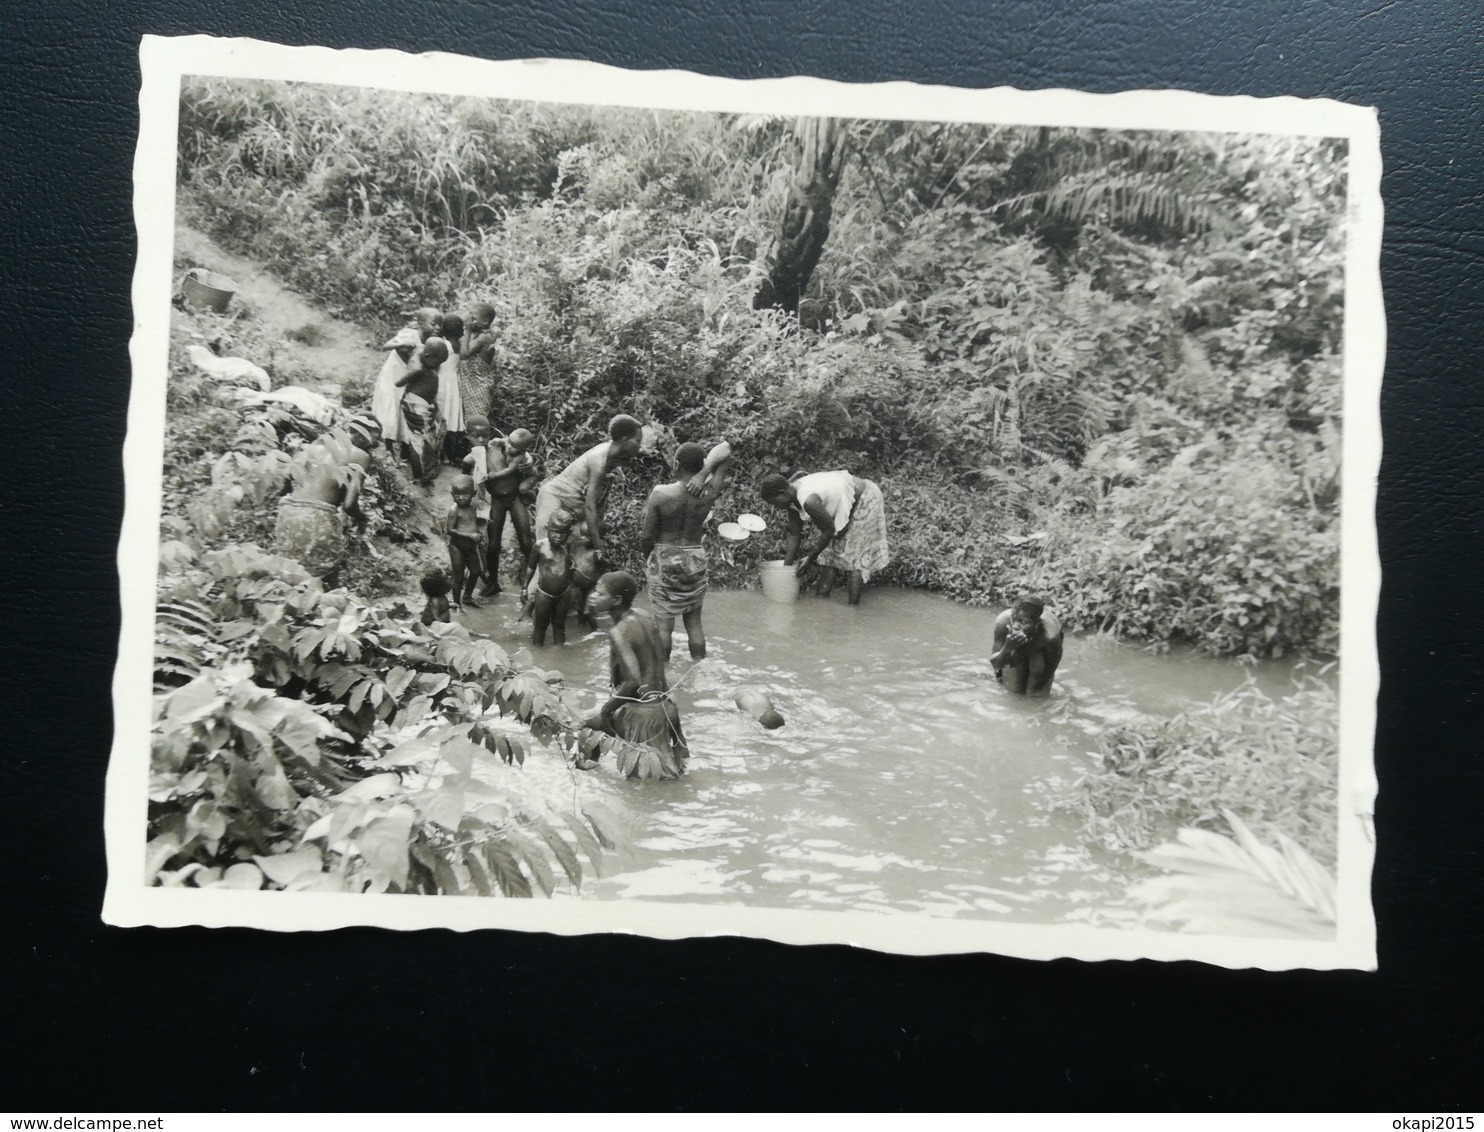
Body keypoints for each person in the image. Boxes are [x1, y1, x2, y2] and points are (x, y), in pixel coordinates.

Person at [582, 571, 689, 780]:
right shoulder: (644, 615)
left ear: (617, 600)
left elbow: (633, 682)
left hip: (643, 716)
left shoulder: (619, 631)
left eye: (600, 593)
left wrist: (605, 712)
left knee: (585, 723)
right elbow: (659, 660)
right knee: (665, 776)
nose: (593, 595)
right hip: (666, 708)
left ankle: (588, 772)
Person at [640, 439, 733, 659]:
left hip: (664, 556)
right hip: (695, 556)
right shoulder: (709, 492)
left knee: (663, 627)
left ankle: (664, 675)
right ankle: (698, 669)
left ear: (676, 464)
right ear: (701, 465)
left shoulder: (661, 493)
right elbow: (726, 449)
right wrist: (705, 473)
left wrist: (649, 558)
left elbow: (646, 536)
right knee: (694, 623)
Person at [272, 413, 381, 585]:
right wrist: (363, 518)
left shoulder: (315, 445)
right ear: (362, 433)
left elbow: (286, 481)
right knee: (322, 583)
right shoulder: (360, 455)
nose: (377, 443)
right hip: (317, 517)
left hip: (287, 513)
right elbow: (349, 504)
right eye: (376, 436)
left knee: (289, 579)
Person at [758, 469, 890, 605]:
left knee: (856, 556)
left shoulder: (808, 500)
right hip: (845, 498)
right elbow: (794, 533)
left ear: (781, 493)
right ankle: (821, 601)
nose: (776, 507)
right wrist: (786, 569)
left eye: (775, 503)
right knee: (829, 554)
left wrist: (810, 559)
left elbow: (828, 531)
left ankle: (852, 610)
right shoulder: (791, 496)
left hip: (865, 497)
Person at [531, 414, 645, 556]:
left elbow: (598, 503)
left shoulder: (615, 459)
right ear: (624, 440)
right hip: (554, 497)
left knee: (571, 557)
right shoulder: (599, 461)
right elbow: (590, 507)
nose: (640, 446)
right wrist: (599, 547)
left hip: (573, 507)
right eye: (638, 441)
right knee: (546, 553)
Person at [371, 307, 441, 450]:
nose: (438, 327)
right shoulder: (408, 335)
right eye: (434, 324)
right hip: (393, 376)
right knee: (390, 409)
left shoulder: (432, 342)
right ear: (420, 324)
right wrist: (402, 344)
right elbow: (386, 346)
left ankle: (405, 449)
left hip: (411, 379)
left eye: (440, 324)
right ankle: (388, 447)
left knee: (405, 411)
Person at [479, 426, 538, 595]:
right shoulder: (495, 446)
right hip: (497, 500)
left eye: (515, 447)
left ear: (523, 449)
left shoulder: (521, 458)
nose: (510, 448)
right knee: (493, 544)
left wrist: (492, 476)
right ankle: (493, 583)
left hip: (514, 498)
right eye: (509, 443)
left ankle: (535, 580)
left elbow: (513, 472)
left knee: (526, 540)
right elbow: (471, 459)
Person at [394, 336, 449, 483]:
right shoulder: (417, 363)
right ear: (428, 356)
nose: (437, 367)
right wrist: (415, 371)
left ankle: (424, 471)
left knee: (427, 438)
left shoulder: (424, 356)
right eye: (436, 363)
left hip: (424, 403)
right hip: (415, 404)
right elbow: (398, 383)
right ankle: (419, 476)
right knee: (419, 441)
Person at [989, 595, 1064, 695]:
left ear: (1037, 622)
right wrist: (1008, 647)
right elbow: (997, 666)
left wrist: (1036, 689)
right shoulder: (1003, 623)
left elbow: (1050, 669)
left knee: (1037, 689)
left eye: (1023, 622)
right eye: (1014, 619)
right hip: (1014, 646)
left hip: (1040, 647)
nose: (1016, 626)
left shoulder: (1049, 635)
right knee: (1014, 690)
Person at [524, 510, 576, 646]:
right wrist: (524, 588)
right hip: (544, 594)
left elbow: (569, 568)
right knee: (540, 626)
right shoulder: (539, 546)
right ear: (547, 529)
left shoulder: (566, 548)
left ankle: (559, 654)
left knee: (559, 626)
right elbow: (530, 568)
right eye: (555, 532)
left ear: (568, 534)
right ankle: (538, 654)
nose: (558, 537)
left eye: (563, 534)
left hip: (564, 594)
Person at [444, 474, 487, 611]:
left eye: (464, 495)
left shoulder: (474, 507)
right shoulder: (454, 510)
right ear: (452, 494)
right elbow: (450, 530)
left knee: (475, 572)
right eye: (457, 495)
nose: (461, 498)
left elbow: (476, 523)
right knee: (459, 577)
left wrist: (480, 535)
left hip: (470, 546)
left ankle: (467, 596)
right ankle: (457, 605)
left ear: (473, 494)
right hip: (457, 546)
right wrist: (470, 535)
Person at [459, 302, 498, 423]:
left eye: (473, 318)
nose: (469, 320)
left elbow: (464, 353)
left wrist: (467, 329)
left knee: (476, 421)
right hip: (472, 385)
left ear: (485, 322)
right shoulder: (479, 334)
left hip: (478, 387)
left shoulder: (484, 337)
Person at [436, 312, 467, 462]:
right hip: (454, 384)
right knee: (451, 416)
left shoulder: (443, 344)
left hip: (442, 382)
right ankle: (449, 453)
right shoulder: (460, 345)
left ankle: (441, 454)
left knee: (441, 415)